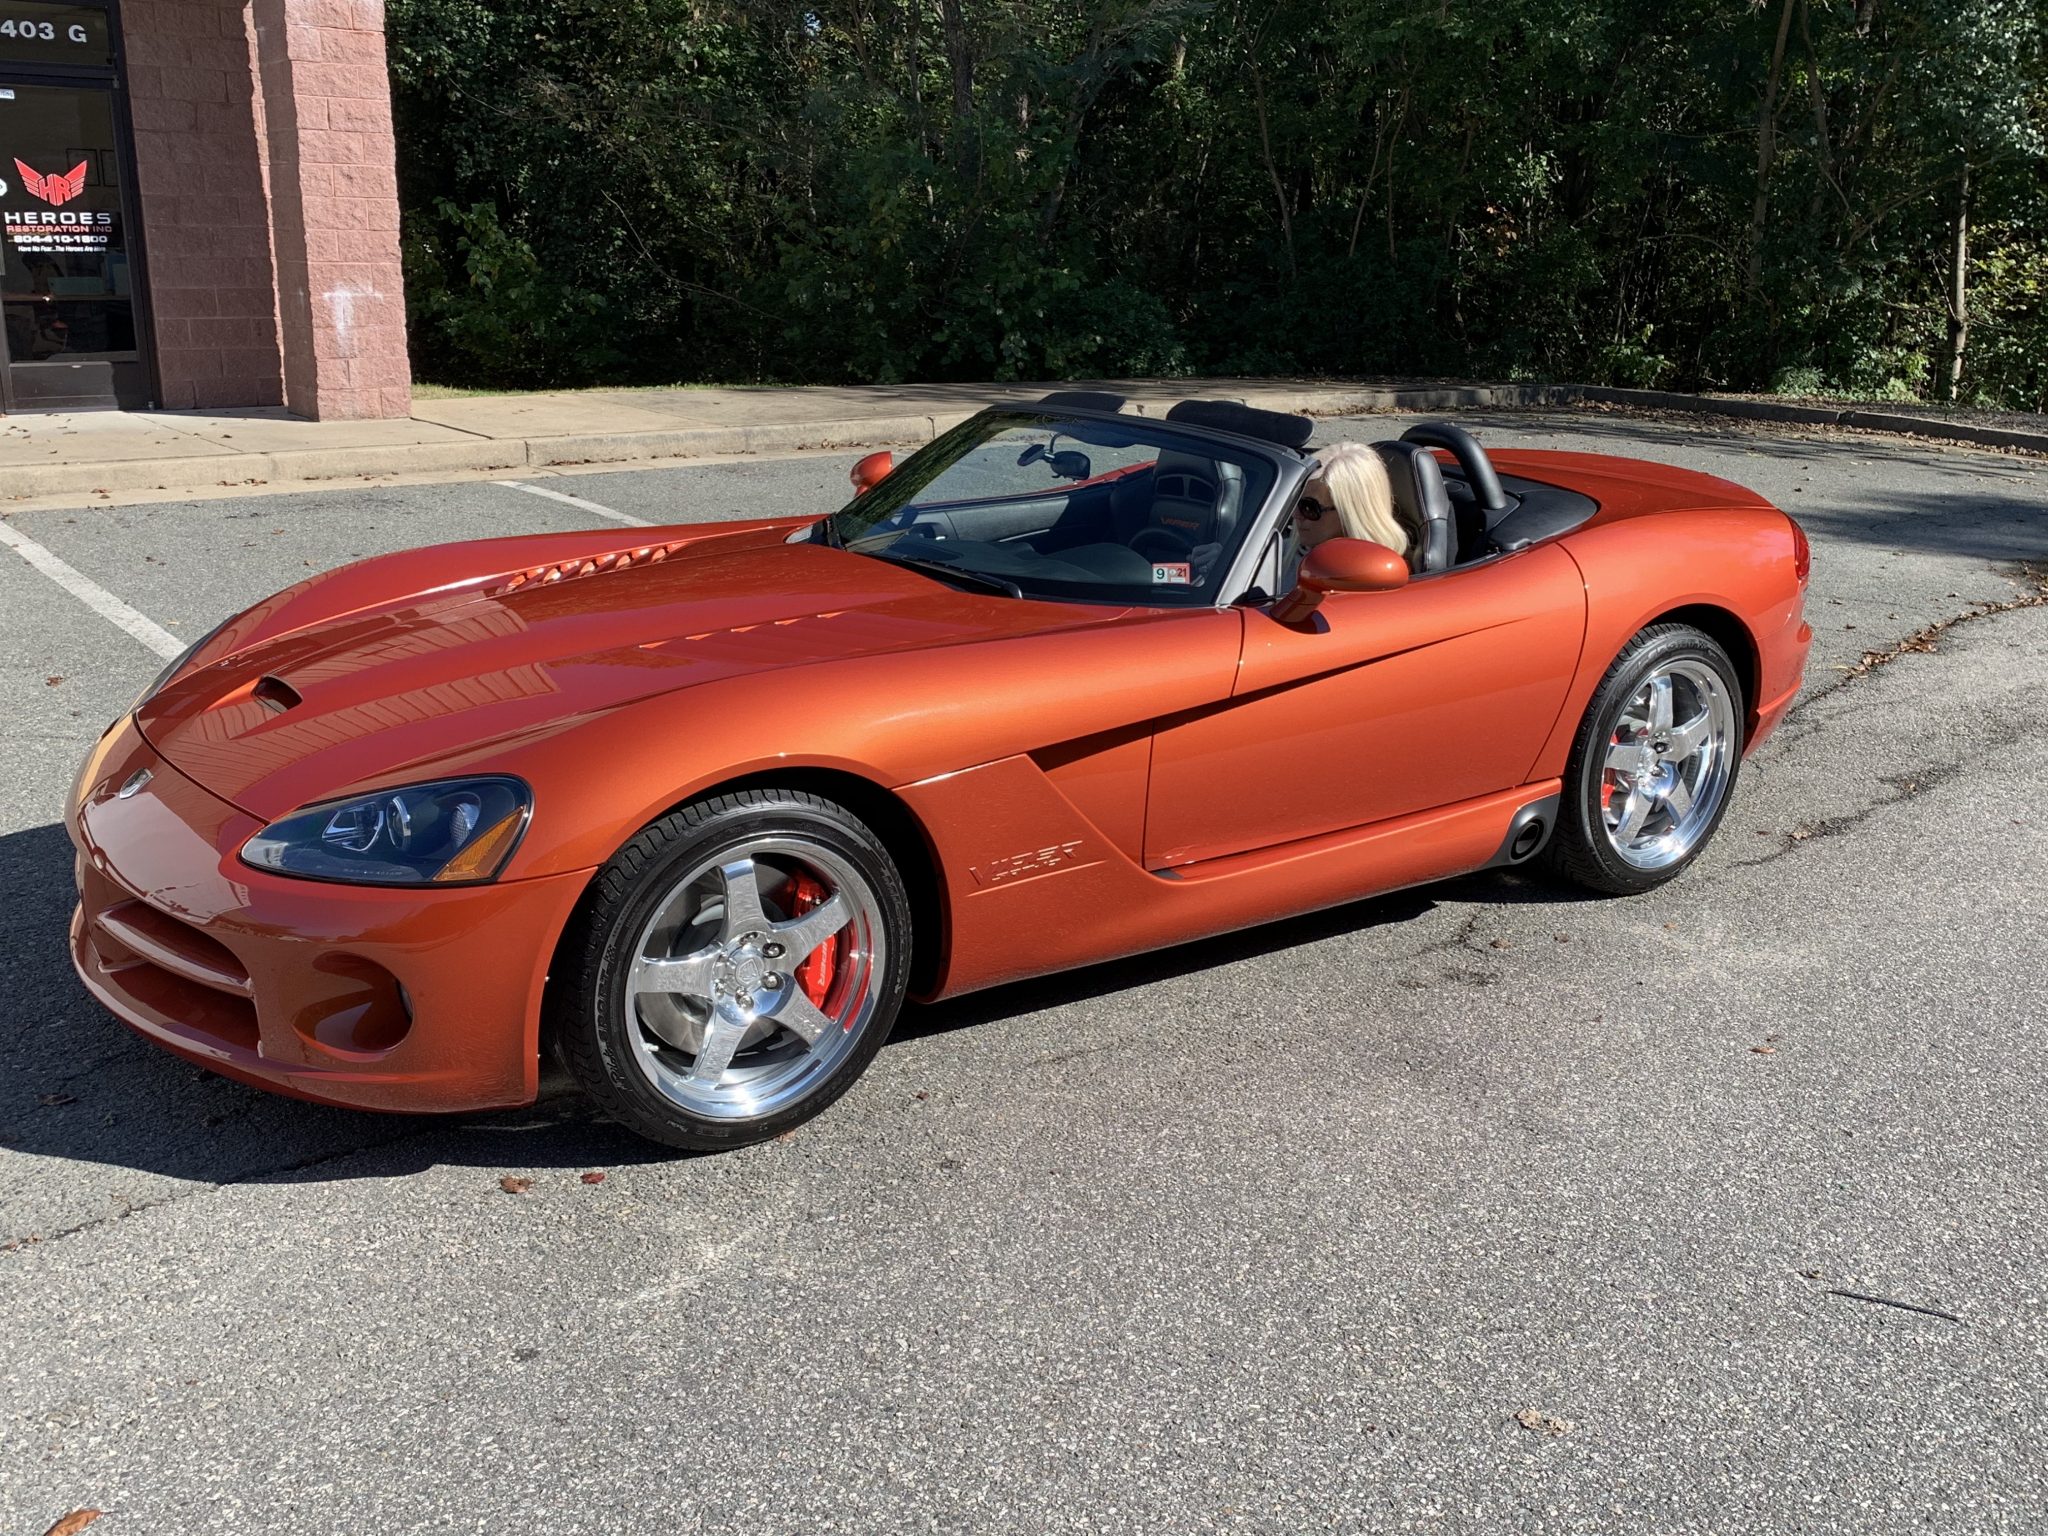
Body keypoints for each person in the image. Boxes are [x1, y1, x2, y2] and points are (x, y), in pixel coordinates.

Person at [1294, 441, 1417, 565]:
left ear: (1350, 512)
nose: (1295, 514)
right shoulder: (1282, 549)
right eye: (1293, 501)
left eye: (1309, 508)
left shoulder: (1380, 570)